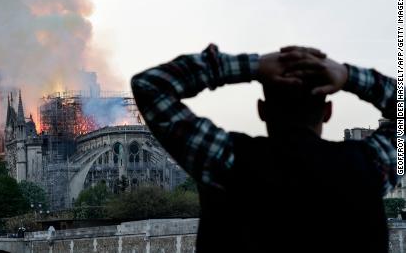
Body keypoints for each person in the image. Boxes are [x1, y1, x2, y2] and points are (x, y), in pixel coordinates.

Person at [131, 44, 397, 253]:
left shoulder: (225, 159)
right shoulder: (371, 167)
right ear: (328, 111)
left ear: (262, 110)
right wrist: (348, 76)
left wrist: (252, 66)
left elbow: (150, 85)